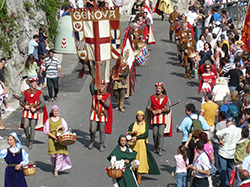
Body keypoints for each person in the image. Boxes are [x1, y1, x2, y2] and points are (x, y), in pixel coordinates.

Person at [128, 111, 160, 184]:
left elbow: (145, 134)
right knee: (134, 159)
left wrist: (137, 137)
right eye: (138, 116)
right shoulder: (133, 124)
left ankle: (139, 176)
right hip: (134, 145)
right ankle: (133, 175)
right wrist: (133, 134)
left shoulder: (146, 125)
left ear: (143, 117)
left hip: (142, 145)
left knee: (141, 160)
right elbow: (129, 133)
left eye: (141, 116)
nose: (140, 117)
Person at [44, 105, 72, 177]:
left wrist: (61, 127)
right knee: (53, 156)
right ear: (52, 112)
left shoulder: (61, 120)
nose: (56, 112)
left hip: (60, 139)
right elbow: (47, 131)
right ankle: (55, 166)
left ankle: (56, 170)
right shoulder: (49, 120)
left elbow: (65, 129)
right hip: (52, 139)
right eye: (54, 111)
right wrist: (53, 137)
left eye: (57, 111)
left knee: (59, 155)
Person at [146, 82, 171, 156]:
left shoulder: (166, 98)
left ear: (162, 89)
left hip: (162, 118)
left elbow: (168, 108)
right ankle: (155, 145)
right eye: (157, 88)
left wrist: (162, 111)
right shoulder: (152, 97)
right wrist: (152, 110)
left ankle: (160, 148)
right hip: (154, 118)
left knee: (160, 133)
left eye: (159, 88)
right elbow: (148, 107)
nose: (158, 89)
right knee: (154, 133)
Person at [216, 117, 242, 187]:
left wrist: (220, 140)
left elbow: (217, 133)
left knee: (223, 169)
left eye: (227, 122)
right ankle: (230, 183)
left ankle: (223, 184)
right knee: (230, 169)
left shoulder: (226, 130)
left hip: (224, 152)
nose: (226, 123)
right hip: (233, 153)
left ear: (230, 123)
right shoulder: (239, 130)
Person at [20, 78, 45, 149]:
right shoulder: (26, 92)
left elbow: (42, 103)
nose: (35, 84)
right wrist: (25, 106)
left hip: (34, 112)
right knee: (25, 126)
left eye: (36, 83)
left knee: (32, 128)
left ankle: (31, 141)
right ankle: (28, 137)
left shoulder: (39, 93)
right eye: (33, 83)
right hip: (26, 112)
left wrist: (36, 108)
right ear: (30, 84)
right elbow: (21, 102)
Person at [89, 80, 113, 152]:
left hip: (102, 115)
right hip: (95, 114)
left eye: (102, 86)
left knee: (102, 131)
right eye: (99, 86)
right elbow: (91, 87)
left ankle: (101, 144)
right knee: (93, 130)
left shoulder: (107, 95)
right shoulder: (95, 94)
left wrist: (102, 100)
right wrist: (94, 79)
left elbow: (108, 105)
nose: (101, 88)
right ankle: (92, 141)